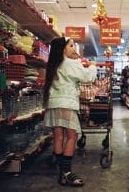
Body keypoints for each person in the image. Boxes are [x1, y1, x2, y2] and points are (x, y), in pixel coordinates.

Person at [43, 37, 97, 186]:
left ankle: (62, 172)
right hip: (66, 103)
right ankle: (66, 172)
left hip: (54, 103)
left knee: (59, 137)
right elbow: (87, 77)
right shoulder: (70, 63)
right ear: (63, 49)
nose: (74, 49)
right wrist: (92, 66)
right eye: (72, 46)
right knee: (72, 136)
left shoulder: (54, 64)